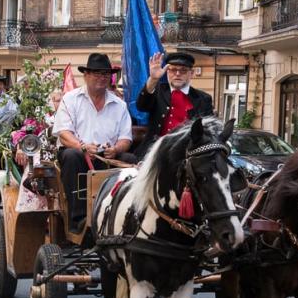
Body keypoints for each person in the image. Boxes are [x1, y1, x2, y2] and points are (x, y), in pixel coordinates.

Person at [53, 53, 136, 231]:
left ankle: (124, 215)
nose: (102, 78)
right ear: (86, 75)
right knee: (72, 156)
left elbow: (126, 138)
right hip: (79, 153)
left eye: (105, 74)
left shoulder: (119, 104)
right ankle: (80, 219)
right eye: (97, 74)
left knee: (130, 159)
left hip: (107, 157)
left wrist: (115, 149)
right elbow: (63, 133)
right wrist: (82, 146)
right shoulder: (70, 99)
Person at [136, 51, 214, 157]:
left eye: (183, 70)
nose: (177, 74)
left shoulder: (203, 99)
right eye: (173, 70)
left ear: (191, 73)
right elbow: (141, 106)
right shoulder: (158, 90)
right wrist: (153, 79)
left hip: (187, 155)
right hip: (154, 152)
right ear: (167, 72)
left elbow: (208, 130)